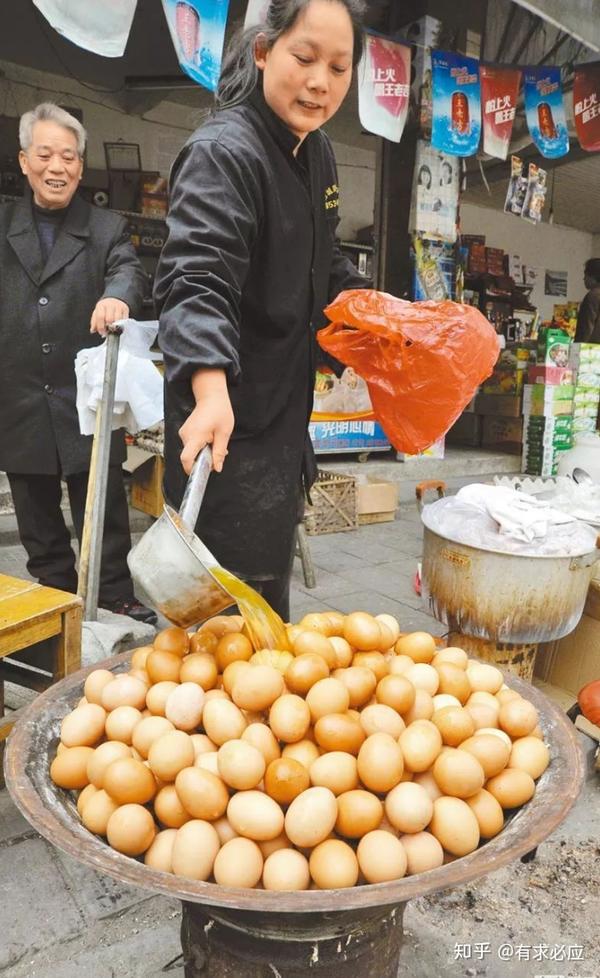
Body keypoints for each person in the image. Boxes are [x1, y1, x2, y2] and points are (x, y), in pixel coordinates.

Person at [154, 0, 368, 622]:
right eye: (304, 57)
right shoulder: (225, 152)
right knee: (218, 623)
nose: (319, 82)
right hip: (223, 432)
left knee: (267, 610)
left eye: (338, 66)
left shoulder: (318, 153)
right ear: (264, 50)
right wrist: (210, 387)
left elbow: (323, 267)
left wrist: (381, 321)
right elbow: (197, 276)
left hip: (283, 424)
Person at [0, 102, 156, 624]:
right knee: (38, 519)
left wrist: (117, 298)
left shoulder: (107, 227)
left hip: (85, 396)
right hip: (19, 395)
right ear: (24, 161)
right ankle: (58, 599)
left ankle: (114, 592)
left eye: (68, 156)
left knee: (104, 506)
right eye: (45, 154)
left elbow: (128, 273)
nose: (56, 166)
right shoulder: (3, 224)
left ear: (81, 168)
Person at [575, 258, 600, 343]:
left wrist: (576, 350)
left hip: (592, 351)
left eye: (585, 275)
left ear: (593, 276)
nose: (584, 279)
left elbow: (586, 329)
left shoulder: (593, 296)